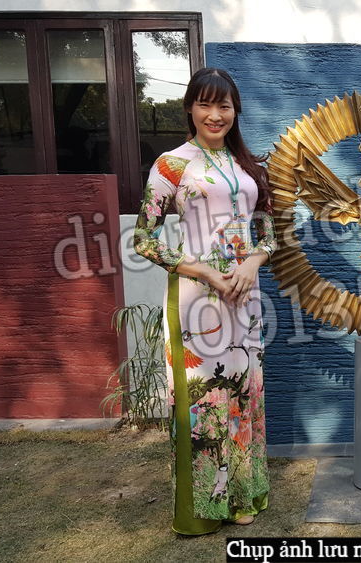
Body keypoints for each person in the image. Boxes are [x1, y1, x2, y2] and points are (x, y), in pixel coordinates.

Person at [134, 67, 276, 535]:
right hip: (197, 299)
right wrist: (206, 272)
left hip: (244, 298)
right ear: (190, 109)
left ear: (236, 112)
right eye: (205, 104)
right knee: (204, 397)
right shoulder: (171, 165)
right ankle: (203, 509)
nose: (215, 115)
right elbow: (144, 239)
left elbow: (269, 233)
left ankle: (241, 496)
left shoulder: (249, 167)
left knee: (243, 392)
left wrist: (252, 264)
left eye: (224, 106)